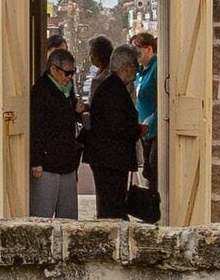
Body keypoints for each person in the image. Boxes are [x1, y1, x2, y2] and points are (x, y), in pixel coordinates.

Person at [82, 37, 143, 225]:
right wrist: (137, 130)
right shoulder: (113, 89)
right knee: (111, 208)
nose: (137, 71)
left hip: (110, 158)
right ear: (127, 67)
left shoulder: (112, 86)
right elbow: (116, 126)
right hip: (110, 159)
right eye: (136, 67)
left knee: (111, 205)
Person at [27, 41, 83, 217]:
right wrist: (36, 161)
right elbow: (36, 127)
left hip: (66, 162)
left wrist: (76, 109)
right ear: (53, 69)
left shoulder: (67, 88)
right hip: (47, 163)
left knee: (68, 216)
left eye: (73, 72)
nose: (70, 77)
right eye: (67, 73)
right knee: (42, 215)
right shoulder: (41, 91)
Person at [125, 27, 164, 220]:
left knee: (153, 170)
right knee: (148, 171)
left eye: (138, 51)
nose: (136, 56)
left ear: (149, 49)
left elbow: (161, 101)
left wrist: (151, 121)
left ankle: (154, 212)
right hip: (145, 131)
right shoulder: (142, 71)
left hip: (154, 129)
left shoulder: (157, 68)